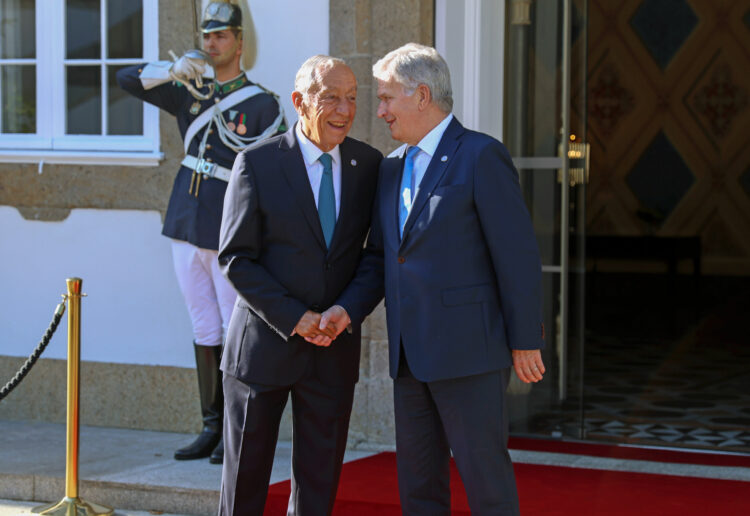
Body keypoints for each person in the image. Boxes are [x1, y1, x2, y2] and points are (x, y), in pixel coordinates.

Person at [319, 43, 546, 515]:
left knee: (487, 486)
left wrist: (525, 339)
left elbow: (517, 255)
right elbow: (382, 257)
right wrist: (347, 309)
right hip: (409, 358)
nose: (378, 111)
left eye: (385, 98)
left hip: (470, 354)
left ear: (421, 95)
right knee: (419, 488)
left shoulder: (481, 155)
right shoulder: (391, 167)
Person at [116, 0, 285, 465]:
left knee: (236, 328)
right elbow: (125, 79)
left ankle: (237, 425)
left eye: (221, 36)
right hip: (186, 222)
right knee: (203, 326)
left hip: (229, 227)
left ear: (240, 43)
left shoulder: (261, 102)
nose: (211, 44)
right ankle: (211, 426)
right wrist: (173, 69)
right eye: (206, 36)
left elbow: (274, 171)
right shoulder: (186, 89)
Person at [216, 55, 382, 515]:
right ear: (299, 102)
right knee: (244, 486)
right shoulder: (257, 164)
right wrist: (296, 318)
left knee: (318, 486)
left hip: (333, 351)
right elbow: (235, 258)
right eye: (331, 97)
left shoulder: (369, 164)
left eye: (352, 98)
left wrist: (346, 311)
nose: (344, 110)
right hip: (262, 353)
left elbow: (376, 256)